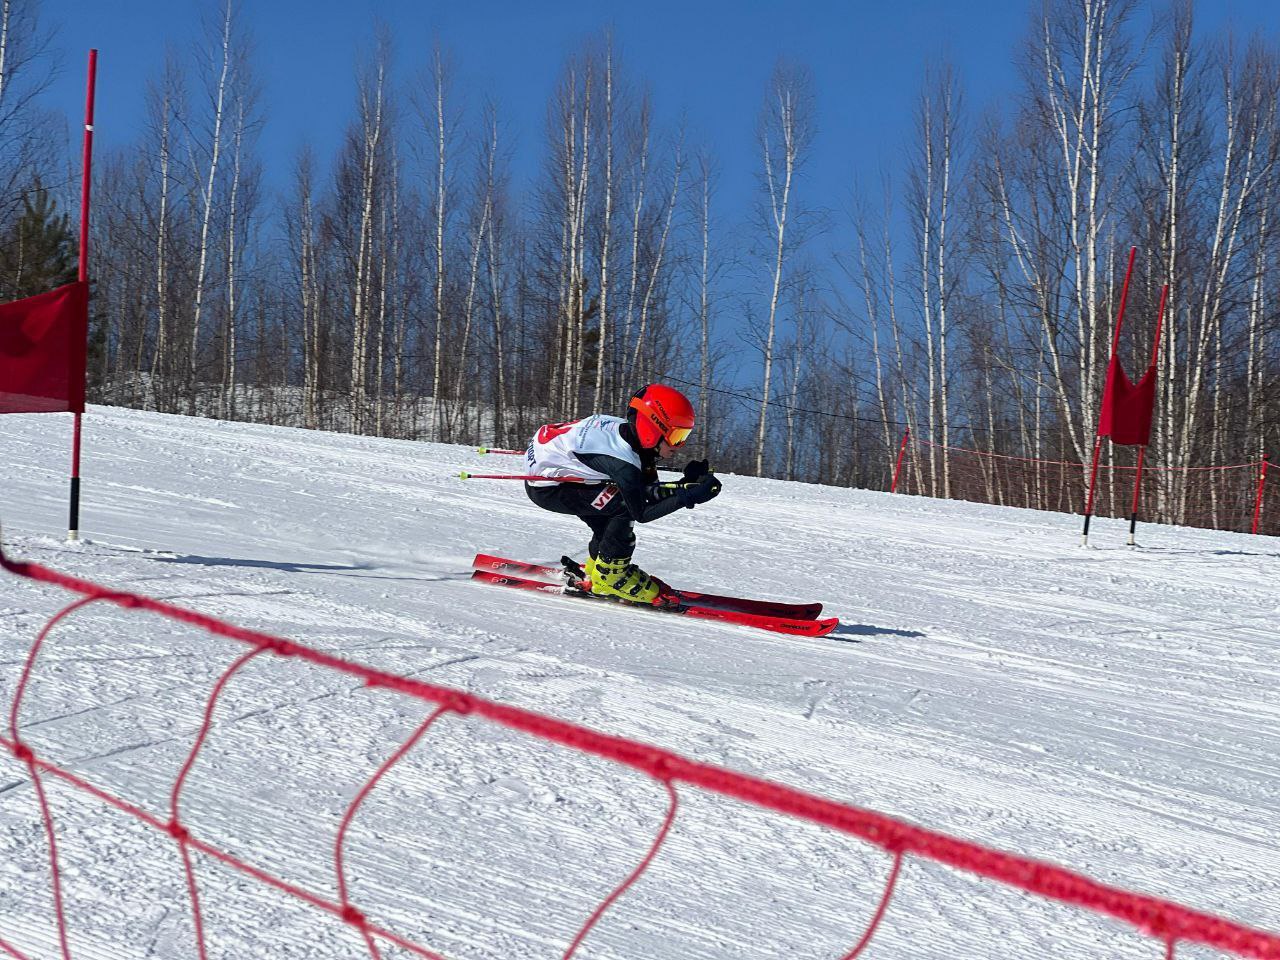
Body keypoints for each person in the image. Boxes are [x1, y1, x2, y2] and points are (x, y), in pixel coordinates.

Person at [524, 384, 721, 604]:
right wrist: (689, 497)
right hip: (548, 488)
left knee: (613, 505)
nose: (679, 446)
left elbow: (647, 489)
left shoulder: (633, 434)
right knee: (622, 507)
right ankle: (610, 577)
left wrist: (686, 485)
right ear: (652, 428)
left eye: (684, 436)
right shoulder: (623, 463)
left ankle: (597, 566)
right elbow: (642, 511)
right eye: (677, 436)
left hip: (554, 464)